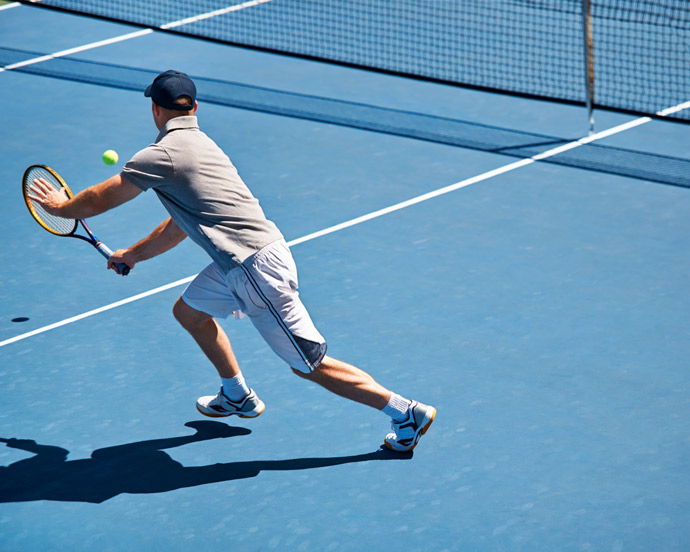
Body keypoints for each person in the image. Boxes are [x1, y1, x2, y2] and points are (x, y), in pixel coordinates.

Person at [28, 70, 436, 452]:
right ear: (195, 108)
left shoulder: (161, 155)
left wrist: (62, 209)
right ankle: (236, 394)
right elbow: (179, 223)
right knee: (189, 312)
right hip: (245, 262)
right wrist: (133, 254)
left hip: (254, 270)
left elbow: (104, 196)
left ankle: (405, 412)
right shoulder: (202, 145)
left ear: (155, 109)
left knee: (309, 365)